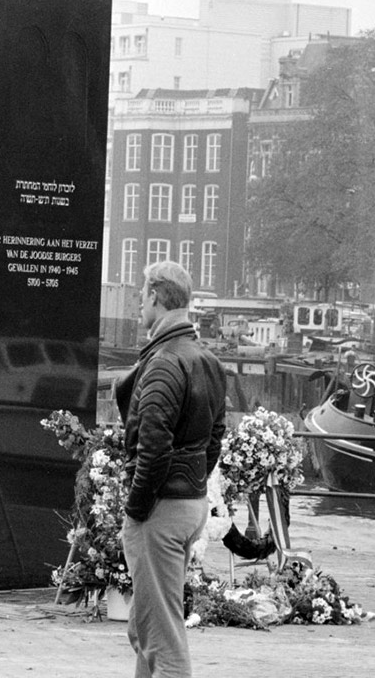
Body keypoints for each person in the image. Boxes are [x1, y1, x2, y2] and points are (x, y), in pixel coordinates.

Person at [116, 261, 227, 678]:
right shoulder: (207, 360)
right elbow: (215, 435)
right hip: (188, 502)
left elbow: (154, 446)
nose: (139, 302)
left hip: (160, 509)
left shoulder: (164, 362)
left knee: (161, 637)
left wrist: (136, 509)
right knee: (148, 624)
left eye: (141, 294)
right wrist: (193, 483)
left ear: (155, 297)